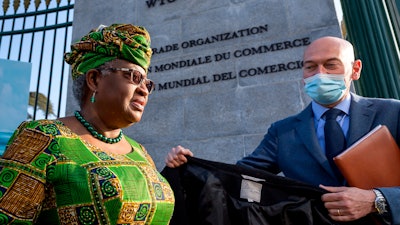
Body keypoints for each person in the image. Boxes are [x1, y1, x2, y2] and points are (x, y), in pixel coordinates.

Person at [165, 36, 400, 224]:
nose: (320, 74)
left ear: (355, 69)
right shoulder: (282, 132)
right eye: (310, 67)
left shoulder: (393, 113)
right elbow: (239, 176)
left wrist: (376, 199)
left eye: (330, 64)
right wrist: (192, 166)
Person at [0, 24, 175, 224]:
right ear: (94, 79)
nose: (144, 90)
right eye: (134, 77)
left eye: (147, 82)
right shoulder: (43, 138)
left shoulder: (140, 151)